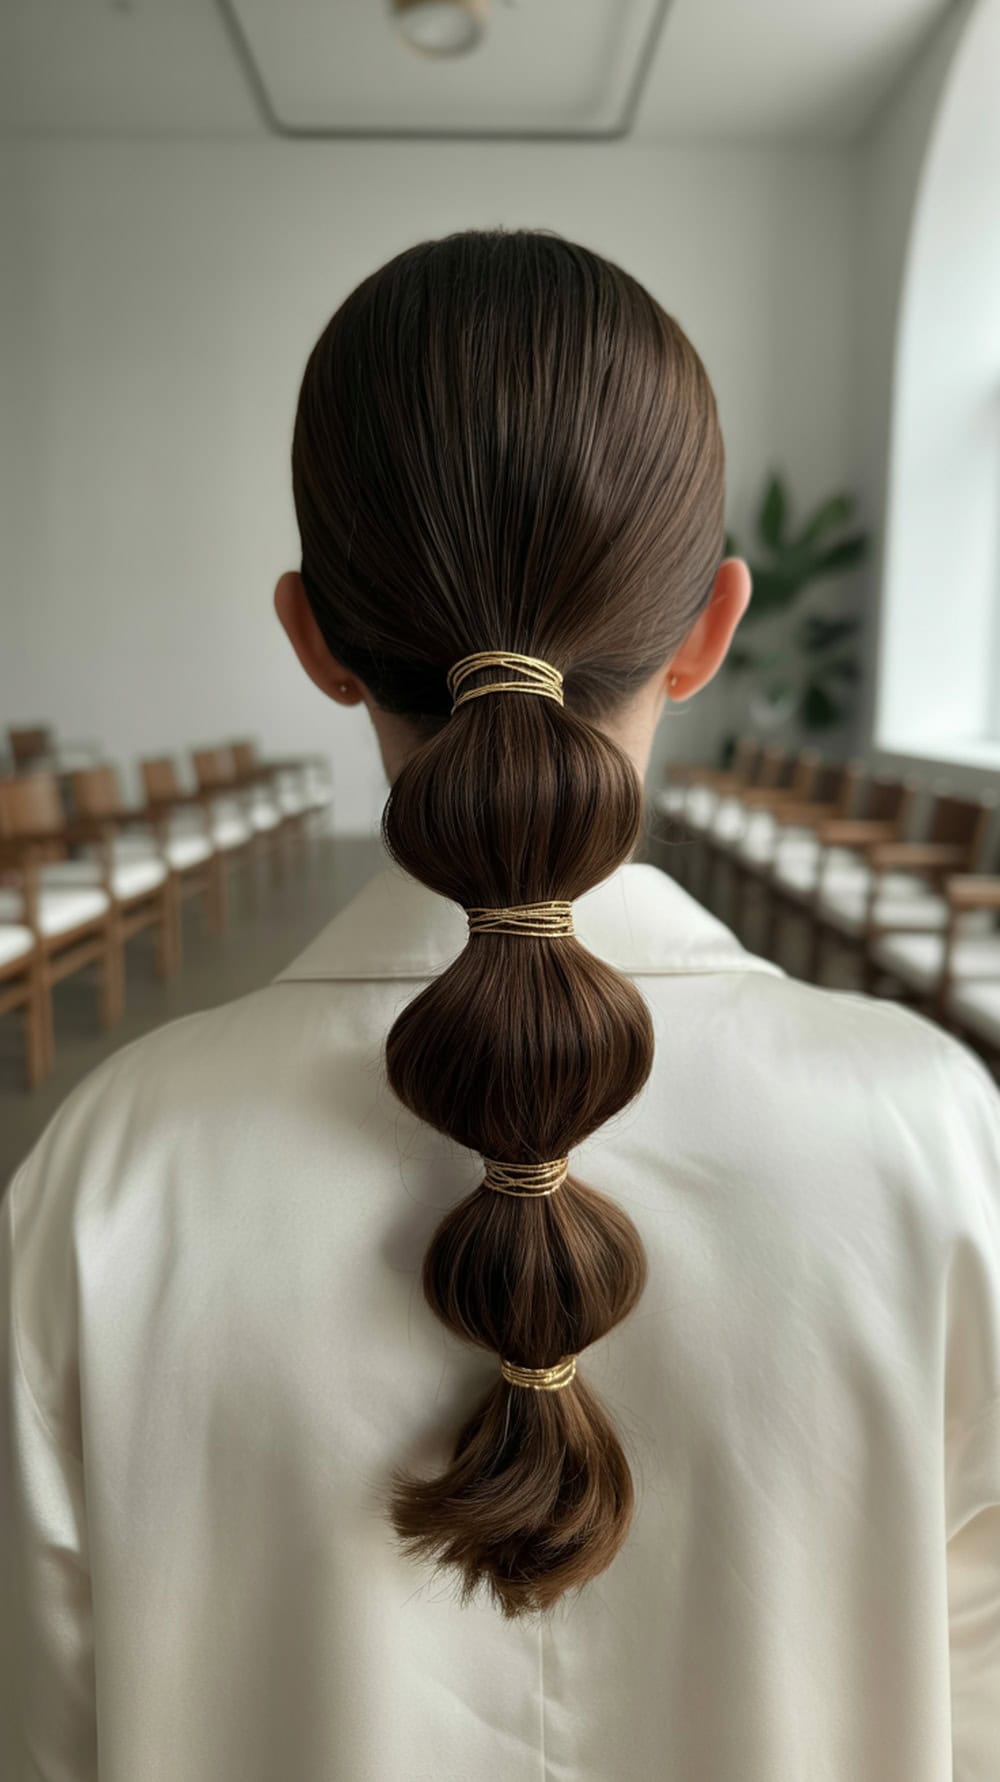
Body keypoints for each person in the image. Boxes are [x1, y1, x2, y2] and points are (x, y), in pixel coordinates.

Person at [2, 227, 998, 1782]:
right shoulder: (939, 1136)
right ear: (712, 628)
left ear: (316, 638)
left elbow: (46, 1726)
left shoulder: (106, 1171)